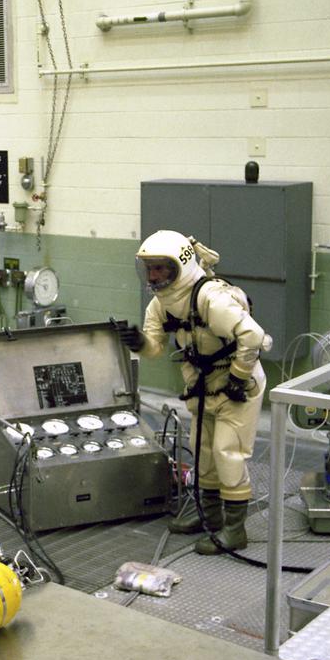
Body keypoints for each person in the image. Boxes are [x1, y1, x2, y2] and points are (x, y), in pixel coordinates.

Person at [118, 230, 271, 555]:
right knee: (202, 451)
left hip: (238, 385)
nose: (154, 276)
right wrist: (139, 343)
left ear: (181, 267)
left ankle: (234, 530)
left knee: (227, 453)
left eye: (162, 268)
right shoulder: (161, 305)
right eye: (150, 268)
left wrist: (238, 377)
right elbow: (155, 346)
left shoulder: (211, 299)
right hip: (204, 386)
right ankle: (209, 517)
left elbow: (254, 337)